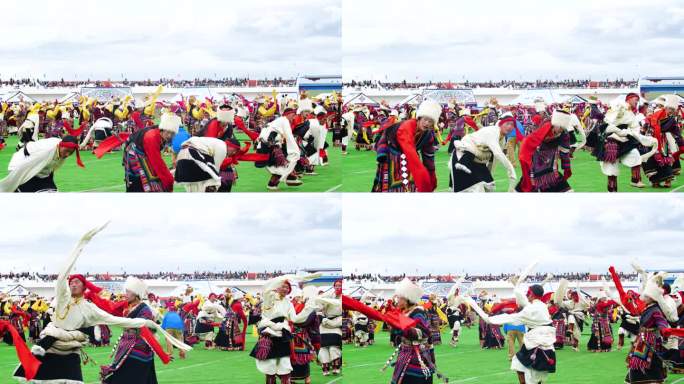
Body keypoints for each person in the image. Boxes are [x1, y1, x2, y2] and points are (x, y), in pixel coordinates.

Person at [12, 224, 190, 384]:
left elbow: (116, 320)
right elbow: (62, 275)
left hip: (78, 351)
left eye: (77, 282)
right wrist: (80, 245)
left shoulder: (90, 308)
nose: (72, 283)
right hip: (51, 346)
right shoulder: (63, 297)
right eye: (71, 282)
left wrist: (147, 323)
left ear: (84, 287)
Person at [469, 284, 557, 384]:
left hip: (539, 347)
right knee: (517, 363)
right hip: (535, 345)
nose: (526, 296)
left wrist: (487, 318)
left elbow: (513, 317)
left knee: (533, 379)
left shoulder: (531, 309)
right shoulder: (541, 306)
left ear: (531, 295)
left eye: (528, 293)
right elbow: (525, 303)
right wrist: (516, 287)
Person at [372, 100, 440, 192]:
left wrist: (432, 179)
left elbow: (429, 158)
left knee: (411, 186)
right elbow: (411, 155)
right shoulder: (406, 127)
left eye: (430, 121)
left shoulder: (428, 135)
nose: (427, 123)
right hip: (392, 157)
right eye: (425, 119)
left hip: (410, 157)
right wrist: (424, 182)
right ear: (419, 118)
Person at [450, 112, 517, 192]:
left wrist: (489, 174)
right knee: (472, 191)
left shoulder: (502, 140)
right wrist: (511, 170)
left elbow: (494, 161)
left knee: (488, 187)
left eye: (512, 125)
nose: (510, 126)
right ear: (500, 124)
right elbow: (498, 153)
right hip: (463, 159)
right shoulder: (492, 131)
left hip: (478, 162)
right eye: (507, 123)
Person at [0, 135, 83, 192]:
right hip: (22, 163)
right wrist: (10, 184)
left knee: (50, 191)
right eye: (66, 151)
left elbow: (51, 168)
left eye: (71, 152)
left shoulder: (61, 147)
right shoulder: (47, 150)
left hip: (40, 170)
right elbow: (25, 167)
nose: (67, 155)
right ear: (60, 146)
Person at [123, 112, 180, 192]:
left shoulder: (160, 133)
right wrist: (169, 180)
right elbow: (157, 163)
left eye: (172, 133)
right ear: (162, 130)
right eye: (168, 132)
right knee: (138, 180)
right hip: (134, 155)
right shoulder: (151, 137)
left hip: (143, 152)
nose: (169, 135)